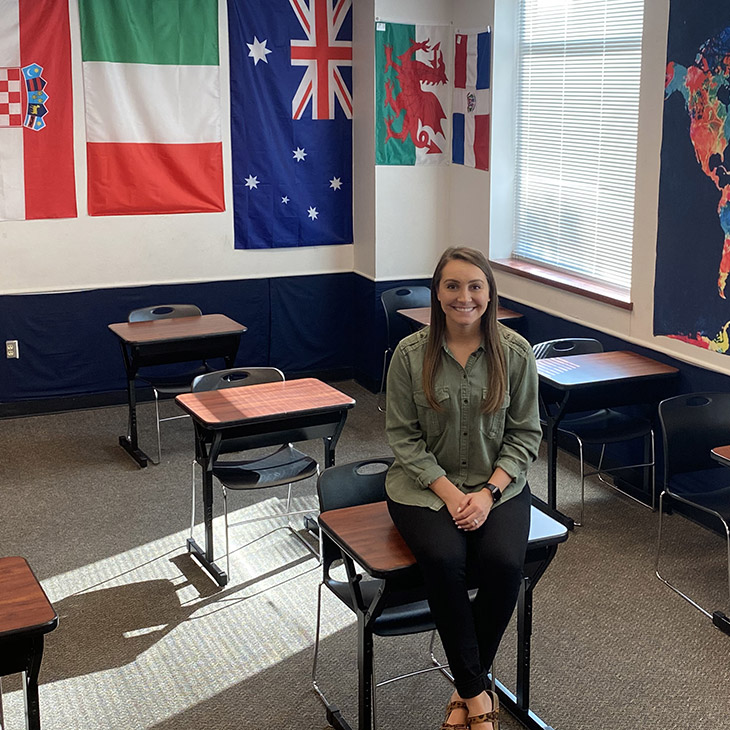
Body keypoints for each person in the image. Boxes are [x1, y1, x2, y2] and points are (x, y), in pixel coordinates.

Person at [385, 246, 542, 730]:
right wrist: (454, 496)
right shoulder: (410, 356)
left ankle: (464, 687)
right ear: (437, 292)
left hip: (499, 488)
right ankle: (478, 697)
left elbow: (525, 434)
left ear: (490, 293)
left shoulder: (514, 353)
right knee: (444, 561)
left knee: (503, 564)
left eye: (475, 286)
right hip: (424, 489)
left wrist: (488, 493)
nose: (464, 297)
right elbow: (403, 438)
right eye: (452, 286)